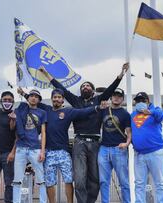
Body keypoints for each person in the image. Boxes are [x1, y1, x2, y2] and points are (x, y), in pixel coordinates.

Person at [39, 63, 129, 203]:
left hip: (95, 143)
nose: (85, 87)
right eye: (83, 86)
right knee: (79, 179)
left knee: (95, 178)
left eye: (87, 86)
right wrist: (46, 73)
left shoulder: (99, 100)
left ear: (93, 90)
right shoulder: (75, 101)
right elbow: (60, 87)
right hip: (79, 143)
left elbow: (111, 90)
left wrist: (121, 74)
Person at [17, 88, 106, 203]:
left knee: (68, 180)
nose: (57, 99)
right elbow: (34, 101)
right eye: (55, 97)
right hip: (49, 152)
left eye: (59, 97)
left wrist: (98, 107)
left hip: (64, 152)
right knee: (49, 182)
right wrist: (23, 93)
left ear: (63, 100)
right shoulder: (46, 110)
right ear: (52, 99)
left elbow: (83, 112)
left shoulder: (69, 111)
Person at [131, 92, 163, 203]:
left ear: (148, 101)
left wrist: (150, 112)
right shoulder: (133, 115)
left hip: (155, 152)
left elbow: (162, 115)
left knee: (159, 183)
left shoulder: (155, 111)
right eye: (138, 101)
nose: (140, 102)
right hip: (139, 154)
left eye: (143, 100)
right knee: (139, 184)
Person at [13, 89, 47, 203]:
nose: (33, 98)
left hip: (35, 148)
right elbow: (14, 128)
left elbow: (43, 133)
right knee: (17, 179)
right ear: (28, 98)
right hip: (21, 147)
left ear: (39, 99)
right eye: (31, 96)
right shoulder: (20, 110)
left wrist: (42, 151)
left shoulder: (42, 112)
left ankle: (42, 201)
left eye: (36, 96)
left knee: (41, 180)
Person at [98, 88, 131, 203]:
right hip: (104, 149)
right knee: (103, 181)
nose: (116, 97)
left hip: (119, 149)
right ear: (111, 97)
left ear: (122, 98)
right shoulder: (104, 110)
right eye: (114, 95)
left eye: (119, 96)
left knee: (124, 181)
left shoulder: (125, 114)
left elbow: (129, 132)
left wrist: (126, 143)